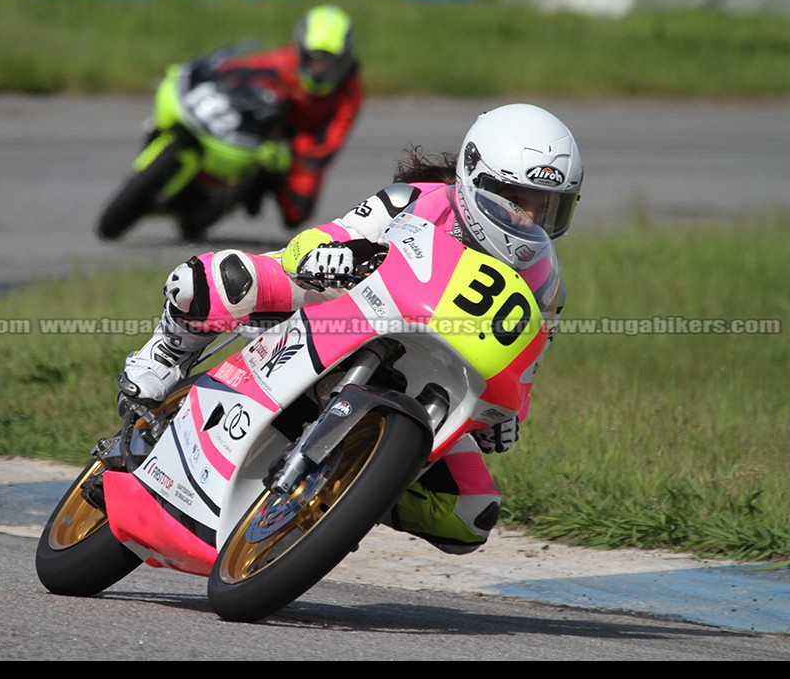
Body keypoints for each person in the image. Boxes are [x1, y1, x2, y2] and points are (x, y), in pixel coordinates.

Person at [118, 103, 583, 554]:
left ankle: (352, 492)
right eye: (516, 201)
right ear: (473, 176)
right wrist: (333, 255)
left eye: (548, 209)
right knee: (219, 280)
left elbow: (525, 364)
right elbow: (317, 241)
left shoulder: (547, 286)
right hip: (337, 298)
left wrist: (506, 419)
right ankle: (164, 354)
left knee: (471, 514)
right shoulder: (415, 201)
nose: (529, 220)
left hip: (434, 368)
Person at [217, 3, 363, 229]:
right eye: (313, 59)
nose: (319, 69)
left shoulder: (349, 90)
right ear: (301, 51)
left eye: (328, 62)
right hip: (265, 130)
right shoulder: (286, 60)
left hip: (303, 142)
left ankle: (262, 184)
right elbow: (243, 70)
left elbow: (335, 135)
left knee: (297, 211)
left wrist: (292, 156)